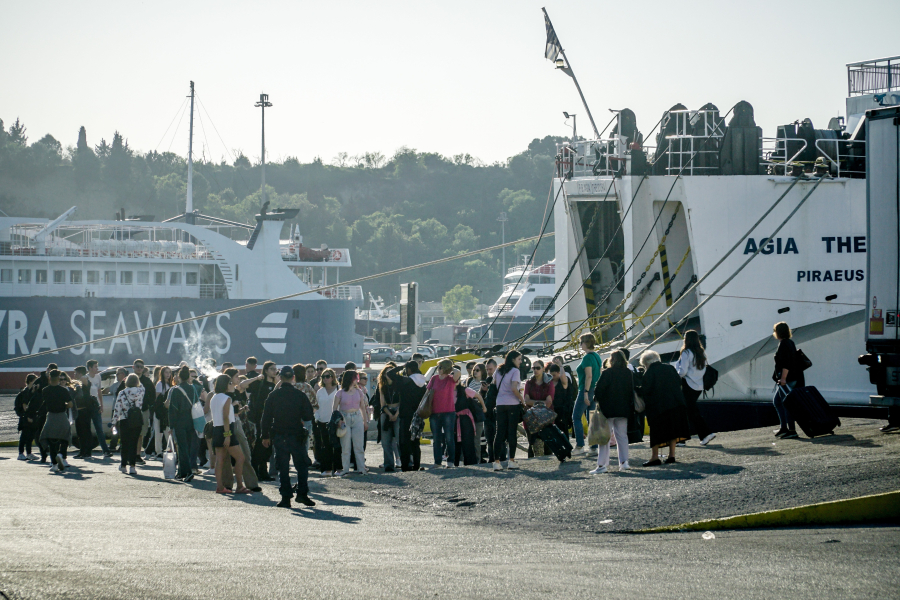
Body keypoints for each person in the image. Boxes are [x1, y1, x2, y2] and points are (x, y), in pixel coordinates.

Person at [261, 366, 316, 508]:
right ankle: (302, 494)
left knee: (283, 468)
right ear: (293, 377)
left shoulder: (273, 396)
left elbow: (266, 418)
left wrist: (264, 436)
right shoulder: (299, 395)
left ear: (280, 377)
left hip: (279, 435)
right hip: (297, 435)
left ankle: (286, 497)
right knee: (302, 466)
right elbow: (308, 415)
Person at [636, 351, 691, 466]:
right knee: (673, 430)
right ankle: (672, 455)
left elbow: (646, 390)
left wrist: (636, 389)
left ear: (646, 363)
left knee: (656, 432)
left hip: (658, 407)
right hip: (676, 404)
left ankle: (655, 457)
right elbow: (679, 381)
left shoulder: (649, 372)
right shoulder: (670, 368)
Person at [591, 350, 634, 474]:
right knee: (622, 436)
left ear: (612, 360)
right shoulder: (628, 373)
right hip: (624, 409)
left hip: (607, 410)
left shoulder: (607, 373)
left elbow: (599, 390)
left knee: (604, 438)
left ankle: (602, 465)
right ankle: (624, 462)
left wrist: (597, 400)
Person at [674, 330, 717, 446]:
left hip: (688, 385)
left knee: (685, 411)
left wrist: (676, 374)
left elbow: (682, 372)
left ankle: (686, 438)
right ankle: (704, 434)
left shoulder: (686, 353)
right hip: (698, 385)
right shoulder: (701, 352)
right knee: (691, 411)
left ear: (686, 339)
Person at [210, 374, 250, 494]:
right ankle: (239, 485)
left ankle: (220, 486)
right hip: (226, 430)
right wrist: (227, 435)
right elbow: (226, 417)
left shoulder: (214, 397)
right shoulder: (227, 398)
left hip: (216, 429)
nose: (233, 385)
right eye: (230, 383)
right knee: (240, 457)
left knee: (219, 460)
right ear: (226, 385)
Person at [385, 360, 426, 471]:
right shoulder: (423, 382)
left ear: (409, 369)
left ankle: (405, 466)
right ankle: (416, 465)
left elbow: (389, 374)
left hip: (406, 415)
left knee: (404, 442)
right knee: (415, 442)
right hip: (418, 415)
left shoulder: (406, 381)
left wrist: (400, 366)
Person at [493, 351, 525, 471]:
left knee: (499, 432)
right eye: (519, 359)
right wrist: (522, 400)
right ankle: (511, 460)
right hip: (512, 404)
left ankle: (496, 462)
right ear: (513, 359)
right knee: (511, 433)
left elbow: (494, 384)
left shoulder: (498, 370)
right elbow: (514, 388)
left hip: (500, 403)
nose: (520, 361)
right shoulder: (515, 371)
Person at [332, 370, 368, 476]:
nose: (357, 380)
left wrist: (365, 421)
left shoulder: (359, 392)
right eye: (355, 378)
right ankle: (345, 469)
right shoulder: (340, 393)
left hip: (357, 418)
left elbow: (362, 407)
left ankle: (361, 468)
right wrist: (338, 421)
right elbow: (334, 409)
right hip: (344, 418)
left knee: (358, 445)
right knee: (346, 446)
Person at [248, 361, 278, 481]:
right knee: (260, 446)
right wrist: (257, 378)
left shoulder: (276, 385)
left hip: (273, 419)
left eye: (275, 369)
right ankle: (255, 471)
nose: (274, 371)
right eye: (272, 369)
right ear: (266, 370)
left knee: (268, 448)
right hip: (262, 419)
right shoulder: (260, 384)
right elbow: (243, 385)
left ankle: (263, 472)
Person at [168, 366, 198, 482]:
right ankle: (181, 472)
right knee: (188, 447)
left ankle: (188, 472)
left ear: (179, 377)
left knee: (182, 447)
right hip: (191, 420)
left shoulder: (176, 390)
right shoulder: (193, 388)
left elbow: (173, 409)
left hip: (180, 421)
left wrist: (171, 426)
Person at [772, 322, 803, 439]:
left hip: (787, 379)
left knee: (785, 404)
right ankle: (784, 428)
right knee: (778, 402)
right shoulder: (790, 342)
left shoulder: (783, 344)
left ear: (778, 332)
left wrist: (783, 378)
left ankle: (791, 430)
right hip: (793, 378)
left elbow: (786, 363)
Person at [574, 333, 602, 453]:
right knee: (592, 418)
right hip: (594, 390)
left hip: (586, 390)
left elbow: (588, 376)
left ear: (585, 343)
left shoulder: (587, 358)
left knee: (576, 417)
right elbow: (598, 374)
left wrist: (585, 392)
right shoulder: (597, 356)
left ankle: (580, 445)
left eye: (581, 343)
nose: (580, 345)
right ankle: (594, 447)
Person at [426, 359, 457, 468]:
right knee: (436, 438)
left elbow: (457, 373)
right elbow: (427, 392)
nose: (438, 369)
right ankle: (437, 462)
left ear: (445, 368)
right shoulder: (434, 379)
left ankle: (450, 461)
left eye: (439, 367)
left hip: (448, 412)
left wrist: (450, 368)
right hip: (434, 412)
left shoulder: (451, 379)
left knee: (449, 438)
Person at [112, 374, 145, 474]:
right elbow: (143, 386)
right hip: (137, 420)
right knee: (134, 443)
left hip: (125, 420)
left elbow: (117, 408)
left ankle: (123, 465)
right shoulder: (141, 391)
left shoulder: (122, 393)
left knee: (124, 443)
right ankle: (132, 466)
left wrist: (113, 422)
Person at [452, 366, 483, 466]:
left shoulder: (464, 390)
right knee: (455, 441)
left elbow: (478, 395)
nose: (456, 380)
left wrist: (484, 407)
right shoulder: (448, 391)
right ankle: (455, 462)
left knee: (468, 441)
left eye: (457, 378)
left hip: (465, 418)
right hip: (454, 418)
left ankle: (471, 463)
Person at [524, 360, 555, 457]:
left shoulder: (549, 383)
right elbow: (526, 400)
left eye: (538, 368)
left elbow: (549, 402)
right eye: (534, 368)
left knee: (547, 447)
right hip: (531, 418)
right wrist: (541, 403)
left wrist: (534, 403)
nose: (535, 370)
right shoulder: (529, 383)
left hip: (545, 418)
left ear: (543, 369)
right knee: (532, 445)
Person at [314, 368, 340, 475]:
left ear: (333, 377)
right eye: (323, 377)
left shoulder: (339, 389)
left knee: (337, 446)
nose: (325, 378)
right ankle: (327, 469)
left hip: (335, 422)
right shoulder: (320, 391)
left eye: (328, 376)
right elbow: (316, 406)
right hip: (322, 421)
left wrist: (340, 419)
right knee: (326, 446)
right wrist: (317, 417)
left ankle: (339, 469)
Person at [292, 363, 318, 466]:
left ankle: (295, 462)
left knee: (292, 442)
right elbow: (316, 404)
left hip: (293, 419)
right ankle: (303, 462)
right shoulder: (308, 387)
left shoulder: (291, 387)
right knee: (305, 442)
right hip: (306, 418)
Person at [85, 360, 112, 458]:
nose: (97, 369)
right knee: (87, 429)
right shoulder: (85, 378)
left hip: (96, 406)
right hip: (87, 406)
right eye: (95, 367)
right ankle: (87, 451)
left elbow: (99, 391)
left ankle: (106, 450)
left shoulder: (98, 377)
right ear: (90, 368)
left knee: (99, 429)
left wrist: (101, 405)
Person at [378, 364, 400, 472]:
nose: (389, 375)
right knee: (386, 441)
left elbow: (403, 402)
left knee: (400, 439)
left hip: (398, 411)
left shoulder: (399, 385)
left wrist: (396, 414)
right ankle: (389, 465)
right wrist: (390, 414)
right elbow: (383, 404)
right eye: (387, 373)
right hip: (386, 412)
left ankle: (404, 462)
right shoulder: (382, 386)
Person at [133, 359, 155, 463]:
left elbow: (153, 395)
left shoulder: (147, 381)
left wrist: (147, 404)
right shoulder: (128, 379)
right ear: (133, 367)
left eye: (141, 367)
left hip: (143, 411)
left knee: (141, 433)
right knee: (131, 434)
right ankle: (130, 454)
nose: (139, 368)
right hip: (131, 412)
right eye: (137, 366)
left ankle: (137, 454)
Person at [467, 363, 488, 463]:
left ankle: (478, 459)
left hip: (478, 411)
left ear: (482, 371)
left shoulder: (484, 383)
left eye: (477, 370)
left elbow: (482, 398)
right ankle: (469, 459)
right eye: (474, 370)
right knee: (468, 437)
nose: (475, 371)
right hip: (468, 410)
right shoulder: (469, 380)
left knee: (477, 438)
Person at [15, 374, 39, 460]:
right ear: (30, 381)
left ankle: (29, 453)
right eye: (34, 381)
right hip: (25, 417)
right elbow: (25, 407)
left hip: (32, 417)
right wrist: (28, 416)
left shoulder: (33, 392)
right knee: (24, 436)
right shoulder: (25, 393)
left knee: (30, 436)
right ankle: (21, 453)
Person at [482, 358, 502, 464]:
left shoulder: (500, 379)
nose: (489, 372)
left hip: (497, 412)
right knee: (489, 438)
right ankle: (491, 458)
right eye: (487, 369)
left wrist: (490, 388)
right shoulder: (488, 380)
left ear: (495, 367)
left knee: (499, 437)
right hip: (488, 413)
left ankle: (501, 457)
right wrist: (483, 390)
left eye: (490, 369)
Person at [152, 366, 174, 460]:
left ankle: (170, 449)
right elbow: (157, 398)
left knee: (167, 431)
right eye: (166, 372)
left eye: (169, 372)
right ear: (162, 373)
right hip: (160, 411)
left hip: (167, 411)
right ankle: (159, 451)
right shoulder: (160, 384)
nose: (168, 374)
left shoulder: (170, 384)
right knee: (158, 431)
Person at [549, 364, 574, 438]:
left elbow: (563, 376)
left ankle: (566, 447)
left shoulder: (562, 382)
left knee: (563, 429)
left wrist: (560, 365)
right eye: (551, 375)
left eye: (554, 375)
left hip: (562, 409)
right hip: (552, 409)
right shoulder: (550, 383)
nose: (552, 377)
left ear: (558, 373)